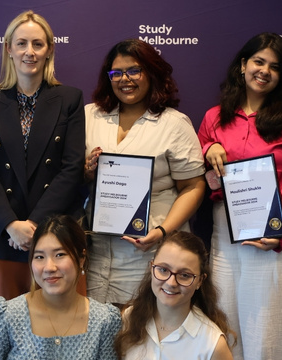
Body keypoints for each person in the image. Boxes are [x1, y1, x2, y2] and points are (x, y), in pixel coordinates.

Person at [197, 33, 282, 360]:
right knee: (227, 320)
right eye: (258, 61)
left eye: (275, 66)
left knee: (269, 326)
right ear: (243, 65)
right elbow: (199, 163)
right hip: (226, 231)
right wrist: (209, 149)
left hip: (276, 227)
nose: (264, 71)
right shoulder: (214, 117)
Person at [0, 10, 85, 301]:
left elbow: (71, 168)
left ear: (49, 50)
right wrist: (11, 225)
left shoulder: (70, 99)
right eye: (22, 43)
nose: (29, 52)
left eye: (38, 44)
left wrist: (35, 227)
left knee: (60, 331)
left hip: (55, 234)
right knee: (1, 333)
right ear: (8, 48)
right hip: (2, 238)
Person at [84, 39, 206, 306]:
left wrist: (162, 232)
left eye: (134, 71)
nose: (125, 79)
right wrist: (88, 171)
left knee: (140, 333)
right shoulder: (89, 116)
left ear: (151, 73)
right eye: (116, 73)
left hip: (149, 249)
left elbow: (193, 187)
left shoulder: (173, 123)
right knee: (99, 331)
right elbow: (72, 177)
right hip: (97, 252)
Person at [0, 215, 121, 359]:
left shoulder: (105, 320)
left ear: (81, 258)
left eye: (60, 255)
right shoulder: (3, 316)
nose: (49, 267)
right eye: (39, 257)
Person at [116, 231, 233, 360]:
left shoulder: (213, 345)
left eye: (184, 275)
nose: (171, 283)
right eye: (163, 270)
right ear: (151, 267)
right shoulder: (128, 319)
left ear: (200, 281)